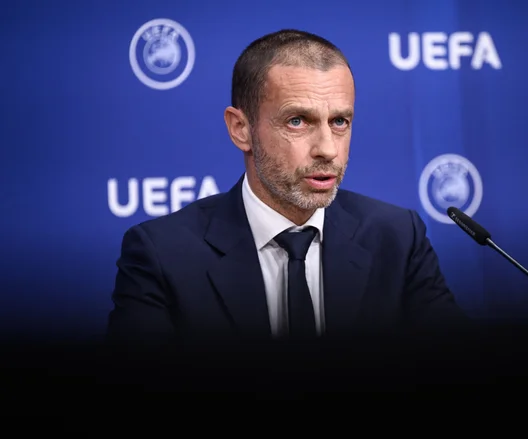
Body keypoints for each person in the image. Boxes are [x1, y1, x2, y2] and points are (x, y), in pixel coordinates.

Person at [107, 29, 469, 348]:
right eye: (298, 121)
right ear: (241, 129)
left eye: (340, 121)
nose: (327, 148)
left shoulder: (397, 238)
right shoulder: (162, 254)